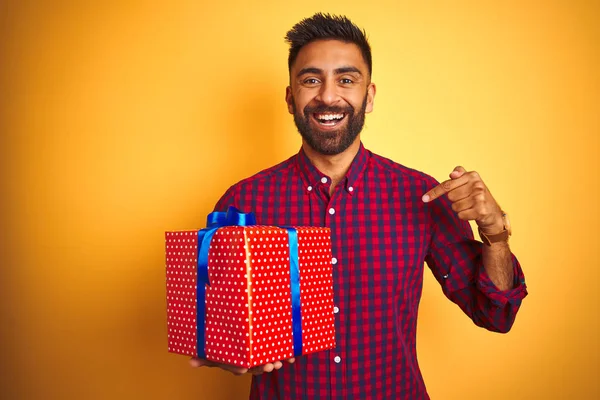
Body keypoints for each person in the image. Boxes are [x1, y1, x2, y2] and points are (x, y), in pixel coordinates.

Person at [190, 13, 528, 399]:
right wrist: (224, 351)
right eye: (311, 79)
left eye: (346, 80)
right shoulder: (243, 202)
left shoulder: (421, 194)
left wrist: (495, 234)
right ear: (290, 98)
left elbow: (496, 314)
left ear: (368, 97)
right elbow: (219, 327)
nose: (328, 96)